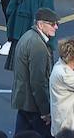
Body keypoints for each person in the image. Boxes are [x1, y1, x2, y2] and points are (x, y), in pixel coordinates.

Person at [11, 7, 59, 138]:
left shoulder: (28, 36)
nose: (56, 27)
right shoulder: (38, 45)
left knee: (21, 134)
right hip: (34, 104)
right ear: (40, 24)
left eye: (57, 23)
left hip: (24, 99)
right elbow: (38, 82)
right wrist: (45, 111)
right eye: (52, 24)